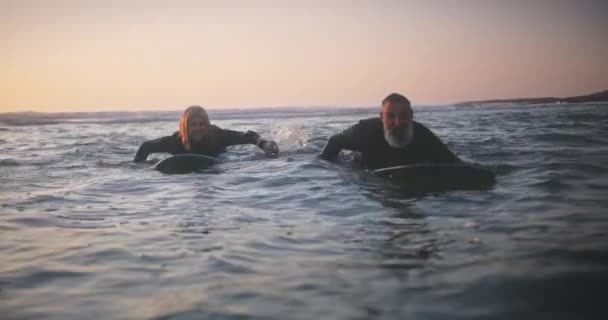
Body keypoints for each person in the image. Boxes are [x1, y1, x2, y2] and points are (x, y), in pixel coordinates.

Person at [319, 93, 461, 169]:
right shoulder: (365, 131)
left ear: (411, 116)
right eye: (391, 116)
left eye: (403, 116)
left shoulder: (423, 136)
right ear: (382, 117)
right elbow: (334, 141)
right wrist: (336, 168)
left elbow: (454, 163)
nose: (398, 123)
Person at [134, 105, 278, 162]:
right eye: (193, 125)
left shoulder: (217, 135)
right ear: (185, 127)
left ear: (207, 125)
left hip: (219, 156)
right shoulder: (175, 141)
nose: (198, 128)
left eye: (202, 124)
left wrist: (264, 144)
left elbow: (249, 136)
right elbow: (146, 146)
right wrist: (140, 166)